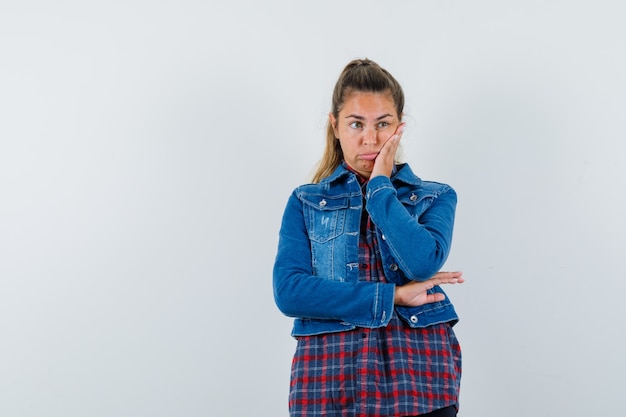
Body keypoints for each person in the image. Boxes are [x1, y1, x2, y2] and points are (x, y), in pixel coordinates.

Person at [273, 58, 464, 417]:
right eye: (356, 123)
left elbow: (422, 261)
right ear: (335, 126)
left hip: (419, 379)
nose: (370, 139)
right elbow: (289, 292)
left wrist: (379, 187)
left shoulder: (435, 197)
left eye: (383, 124)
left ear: (399, 127)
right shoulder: (306, 201)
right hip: (329, 379)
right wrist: (392, 296)